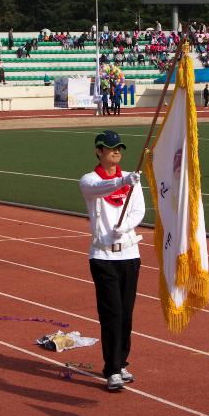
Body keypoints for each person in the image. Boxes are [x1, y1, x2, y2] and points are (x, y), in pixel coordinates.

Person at [79, 130, 144, 392]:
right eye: (110, 147)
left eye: (119, 148)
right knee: (112, 313)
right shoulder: (89, 180)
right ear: (98, 151)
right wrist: (122, 181)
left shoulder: (132, 179)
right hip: (103, 256)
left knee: (126, 314)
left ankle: (122, 362)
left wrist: (125, 225)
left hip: (129, 254)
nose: (116, 152)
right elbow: (99, 189)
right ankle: (112, 369)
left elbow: (139, 209)